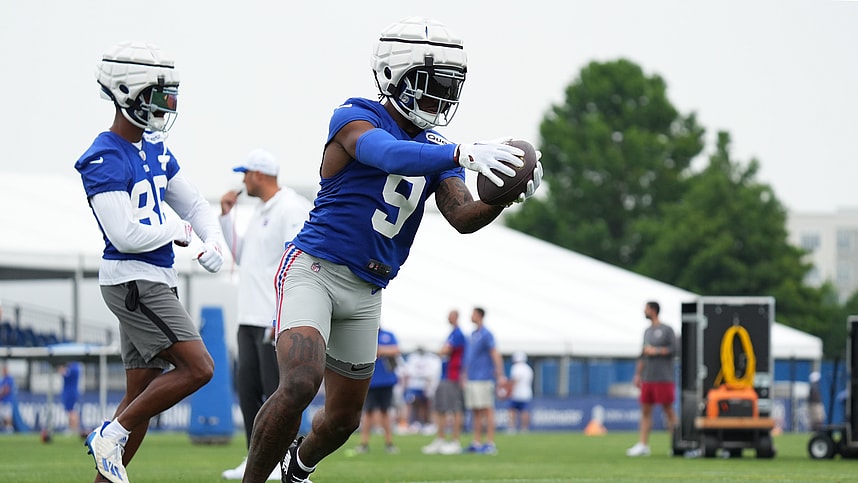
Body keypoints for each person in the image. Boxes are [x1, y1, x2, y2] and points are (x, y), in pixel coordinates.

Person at [240, 16, 543, 483]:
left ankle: (296, 469)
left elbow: (462, 217)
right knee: (300, 382)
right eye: (431, 84)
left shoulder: (439, 145)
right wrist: (461, 153)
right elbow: (387, 154)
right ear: (395, 77)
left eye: (448, 86)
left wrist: (502, 197)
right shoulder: (355, 116)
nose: (441, 96)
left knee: (343, 421)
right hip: (314, 269)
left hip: (368, 289)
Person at [75, 40, 225, 483]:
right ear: (125, 94)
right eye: (155, 97)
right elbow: (124, 234)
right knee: (199, 367)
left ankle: (107, 469)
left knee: (141, 393)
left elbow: (193, 202)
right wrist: (177, 232)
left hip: (155, 278)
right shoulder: (102, 155)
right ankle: (109, 435)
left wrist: (213, 241)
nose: (163, 107)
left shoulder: (155, 147)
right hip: (133, 281)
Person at [219, 149, 312, 481]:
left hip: (274, 318)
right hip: (249, 316)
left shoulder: (291, 207)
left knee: (279, 394)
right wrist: (226, 217)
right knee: (248, 391)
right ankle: (255, 459)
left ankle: (284, 463)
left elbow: (297, 261)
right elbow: (242, 256)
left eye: (245, 173)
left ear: (258, 174)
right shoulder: (259, 211)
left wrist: (283, 315)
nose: (242, 180)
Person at [627, 301, 677, 457]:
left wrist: (655, 350)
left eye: (646, 309)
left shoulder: (667, 330)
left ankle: (676, 444)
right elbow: (642, 355)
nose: (644, 311)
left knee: (668, 411)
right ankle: (643, 445)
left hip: (663, 378)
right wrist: (638, 375)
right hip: (648, 378)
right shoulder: (647, 331)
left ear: (653, 310)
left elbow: (674, 350)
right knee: (645, 411)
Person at [422, 309, 467, 455]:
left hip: (452, 376)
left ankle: (455, 441)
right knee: (440, 408)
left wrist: (440, 351)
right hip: (444, 376)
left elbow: (445, 351)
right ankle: (440, 439)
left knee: (454, 409)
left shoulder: (458, 334)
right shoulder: (452, 333)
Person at [462, 307, 506, 455]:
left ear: (479, 315)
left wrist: (500, 374)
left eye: (473, 314)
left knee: (487, 409)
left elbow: (495, 353)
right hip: (472, 377)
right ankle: (476, 442)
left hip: (484, 377)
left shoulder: (487, 334)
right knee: (475, 410)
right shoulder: (473, 334)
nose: (471, 316)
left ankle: (490, 442)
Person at [355, 327, 401, 454]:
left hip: (387, 381)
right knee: (368, 412)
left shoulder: (389, 334)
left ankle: (389, 443)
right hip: (370, 381)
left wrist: (381, 350)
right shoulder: (365, 334)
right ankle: (364, 444)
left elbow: (396, 350)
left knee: (385, 411)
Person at [402, 346, 441, 433]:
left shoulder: (429, 359)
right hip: (414, 385)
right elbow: (408, 372)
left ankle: (424, 423)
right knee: (413, 404)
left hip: (424, 385)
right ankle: (412, 423)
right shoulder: (413, 358)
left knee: (424, 405)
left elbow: (430, 373)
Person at [507, 351, 534, 433]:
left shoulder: (516, 368)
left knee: (512, 410)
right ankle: (524, 428)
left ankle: (512, 428)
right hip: (526, 393)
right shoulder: (528, 368)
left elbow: (514, 381)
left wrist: (509, 391)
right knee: (524, 411)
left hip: (516, 393)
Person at [59, 362, 82, 435]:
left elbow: (64, 373)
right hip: (70, 392)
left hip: (70, 392)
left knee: (71, 412)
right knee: (71, 411)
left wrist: (61, 369)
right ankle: (73, 428)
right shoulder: (74, 367)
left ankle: (74, 428)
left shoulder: (74, 368)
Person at [0, 364, 16, 432]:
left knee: (8, 416)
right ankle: (5, 429)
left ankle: (9, 429)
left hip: (7, 401)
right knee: (3, 417)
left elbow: (6, 389)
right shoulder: (2, 379)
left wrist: (1, 393)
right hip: (2, 401)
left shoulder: (9, 378)